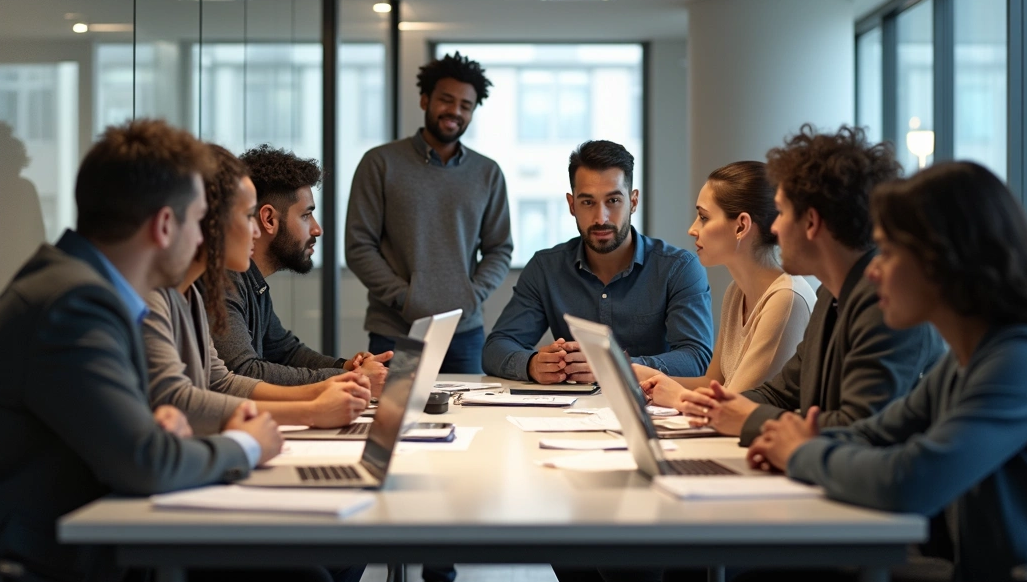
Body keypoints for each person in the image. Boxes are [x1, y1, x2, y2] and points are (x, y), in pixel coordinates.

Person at [0, 120, 312, 582]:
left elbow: (131, 442)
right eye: (199, 218)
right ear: (166, 226)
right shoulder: (75, 305)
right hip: (21, 573)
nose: (203, 237)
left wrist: (156, 432)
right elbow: (147, 463)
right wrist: (246, 446)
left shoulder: (84, 289)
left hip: (58, 552)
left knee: (301, 580)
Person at [746, 161, 1027, 582]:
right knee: (767, 581)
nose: (874, 271)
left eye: (888, 252)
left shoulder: (1023, 361)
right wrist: (800, 444)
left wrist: (801, 452)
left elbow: (910, 482)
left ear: (944, 260)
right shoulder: (966, 361)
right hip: (984, 580)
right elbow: (873, 435)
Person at [675, 125, 943, 445]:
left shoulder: (883, 304)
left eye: (782, 212)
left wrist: (747, 417)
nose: (773, 226)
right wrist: (719, 406)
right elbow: (784, 391)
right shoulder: (830, 293)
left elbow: (857, 425)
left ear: (811, 222)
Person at [143, 144, 371, 438]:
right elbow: (188, 399)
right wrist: (317, 404)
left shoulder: (191, 296)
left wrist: (337, 380)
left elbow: (223, 381)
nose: (255, 230)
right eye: (247, 216)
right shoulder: (161, 297)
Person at [483, 140, 714, 384]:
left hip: (652, 410)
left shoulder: (678, 268)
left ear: (633, 202)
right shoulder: (546, 268)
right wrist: (532, 365)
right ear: (572, 205)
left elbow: (697, 358)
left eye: (613, 201)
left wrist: (616, 367)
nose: (600, 217)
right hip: (568, 413)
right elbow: (495, 349)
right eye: (587, 202)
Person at [346, 51, 512, 376]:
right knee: (395, 419)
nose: (455, 111)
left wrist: (472, 295)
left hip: (465, 334)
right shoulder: (380, 163)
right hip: (395, 330)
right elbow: (359, 245)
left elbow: (499, 248)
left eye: (466, 105)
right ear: (425, 100)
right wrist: (406, 298)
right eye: (446, 100)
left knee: (471, 421)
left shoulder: (487, 173)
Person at [631, 162, 816, 408]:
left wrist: (675, 395)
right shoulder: (736, 291)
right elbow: (713, 383)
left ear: (741, 226)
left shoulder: (786, 298)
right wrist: (648, 376)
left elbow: (730, 406)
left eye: (704, 217)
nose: (692, 230)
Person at [210, 144, 391, 395]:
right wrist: (350, 378)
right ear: (269, 219)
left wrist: (347, 368)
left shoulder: (252, 281)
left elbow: (286, 352)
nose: (317, 229)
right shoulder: (223, 281)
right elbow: (244, 372)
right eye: (306, 215)